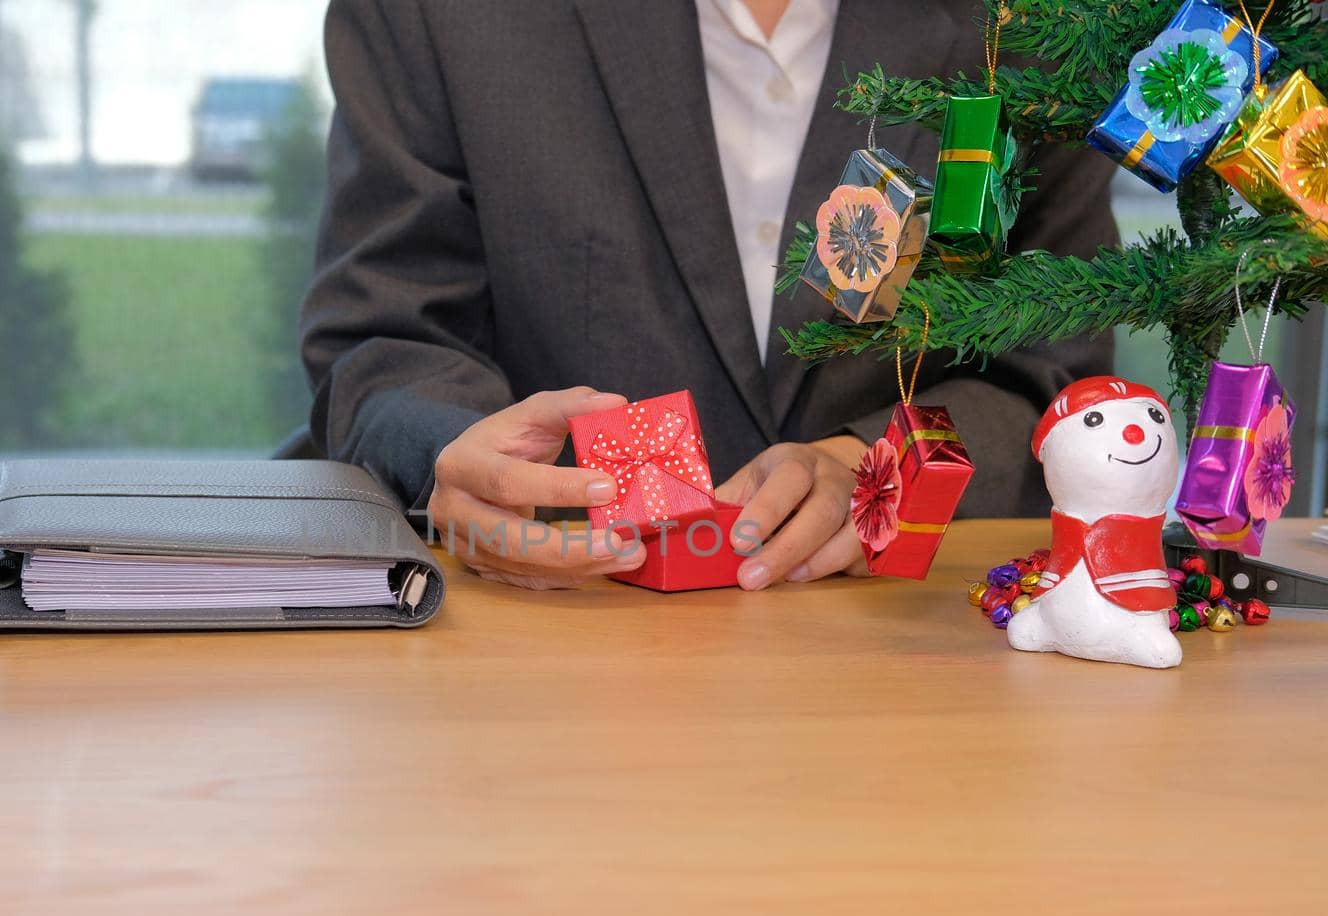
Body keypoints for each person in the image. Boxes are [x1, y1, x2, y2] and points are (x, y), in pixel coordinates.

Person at [301, 0, 1119, 591]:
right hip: (549, 650)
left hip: (903, 656)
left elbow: (1050, 377)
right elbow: (382, 338)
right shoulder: (434, 18)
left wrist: (864, 468)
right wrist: (459, 454)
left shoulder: (1032, 29)